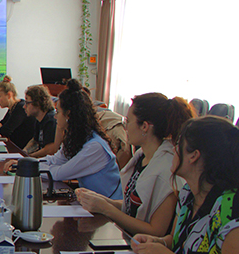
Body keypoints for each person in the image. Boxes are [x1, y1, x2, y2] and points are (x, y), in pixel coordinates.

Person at [132, 116, 239, 254]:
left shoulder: (235, 211)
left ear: (193, 156)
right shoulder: (188, 193)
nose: (173, 150)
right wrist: (158, 242)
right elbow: (179, 241)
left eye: (178, 145)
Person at [77, 93, 195, 236]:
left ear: (144, 126)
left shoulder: (166, 169)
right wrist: (101, 200)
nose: (125, 127)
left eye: (128, 121)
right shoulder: (142, 156)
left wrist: (106, 209)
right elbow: (133, 207)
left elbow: (155, 231)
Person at [43, 79, 122, 199]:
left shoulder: (95, 147)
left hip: (108, 207)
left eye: (58, 112)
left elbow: (58, 174)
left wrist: (30, 168)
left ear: (68, 115)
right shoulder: (78, 138)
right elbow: (55, 160)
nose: (55, 116)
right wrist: (25, 163)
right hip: (91, 203)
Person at [0, 76, 35, 150]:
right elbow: (3, 122)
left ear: (9, 95)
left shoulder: (20, 108)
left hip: (22, 149)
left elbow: (5, 131)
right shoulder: (14, 107)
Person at [22, 85, 58, 158]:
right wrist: (24, 152)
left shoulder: (51, 120)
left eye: (27, 103)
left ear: (37, 103)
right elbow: (35, 141)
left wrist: (29, 157)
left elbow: (50, 149)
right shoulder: (39, 119)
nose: (24, 106)